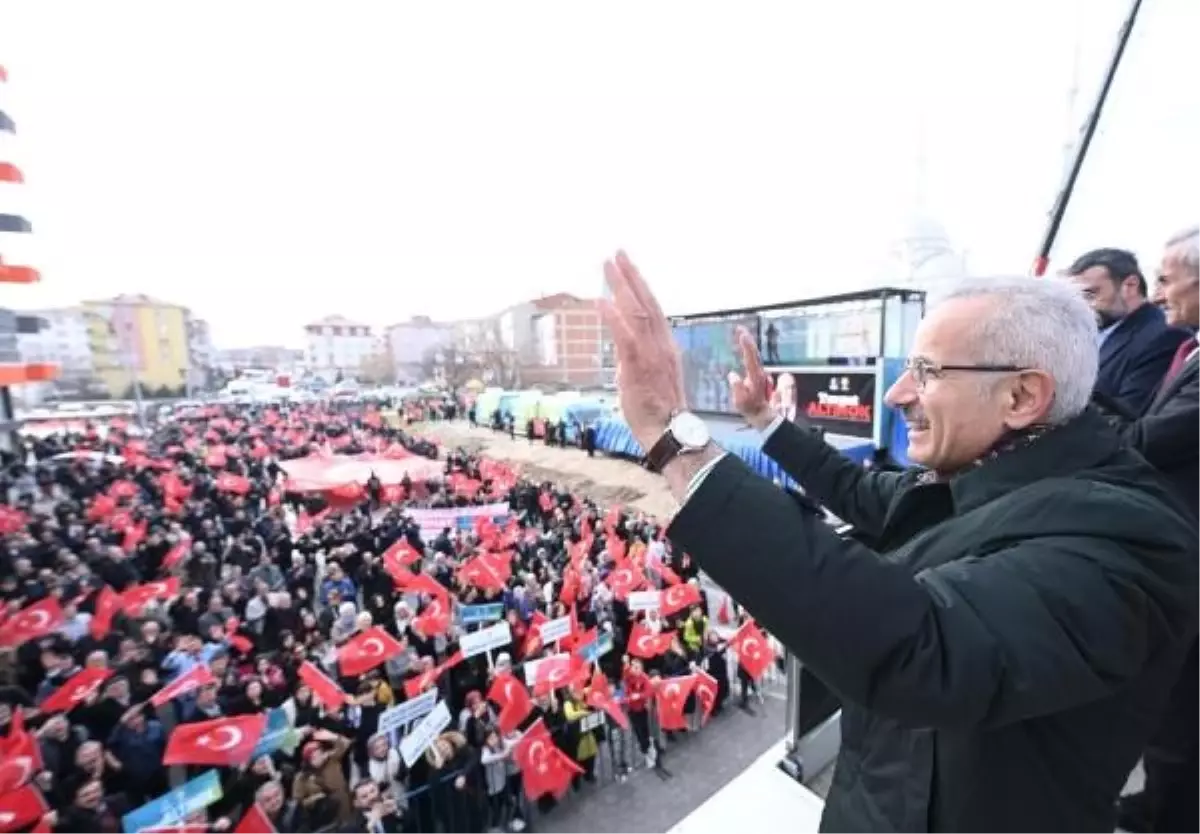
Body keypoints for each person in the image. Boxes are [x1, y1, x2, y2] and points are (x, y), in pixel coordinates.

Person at [599, 249, 1200, 834]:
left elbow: (926, 652)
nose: (897, 394)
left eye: (929, 373)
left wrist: (673, 440)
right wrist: (766, 423)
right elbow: (863, 493)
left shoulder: (1129, 541)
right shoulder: (991, 472)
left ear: (1021, 397)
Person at [1104, 226, 1200, 834]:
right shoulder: (1186, 351)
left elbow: (1146, 441)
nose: (1160, 293)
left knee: (1181, 703)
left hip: (1187, 552)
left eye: (1167, 278)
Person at [1067, 246, 1188, 415]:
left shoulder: (1164, 337)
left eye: (1091, 294)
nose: (1084, 305)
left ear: (1130, 286)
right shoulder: (1086, 331)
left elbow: (1128, 411)